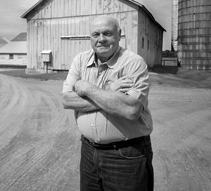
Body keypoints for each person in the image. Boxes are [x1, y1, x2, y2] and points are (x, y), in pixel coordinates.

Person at [62, 16, 154, 191]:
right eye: (95, 34)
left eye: (107, 33)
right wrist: (110, 92)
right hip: (89, 151)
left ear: (119, 35)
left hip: (126, 155)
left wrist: (87, 88)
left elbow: (130, 109)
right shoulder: (80, 60)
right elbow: (66, 100)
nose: (101, 39)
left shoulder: (133, 63)